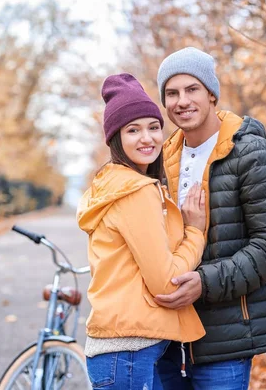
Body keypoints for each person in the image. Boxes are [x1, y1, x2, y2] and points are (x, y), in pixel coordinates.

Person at [153, 47, 266, 390]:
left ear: (212, 94)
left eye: (192, 89)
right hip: (166, 332)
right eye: (171, 93)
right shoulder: (160, 157)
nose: (181, 101)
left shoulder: (251, 153)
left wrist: (204, 283)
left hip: (225, 333)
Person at [76, 72, 208, 390]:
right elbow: (165, 282)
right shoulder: (136, 190)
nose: (146, 138)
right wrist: (196, 232)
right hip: (129, 352)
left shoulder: (110, 183)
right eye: (133, 130)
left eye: (153, 127)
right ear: (116, 138)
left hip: (121, 351)